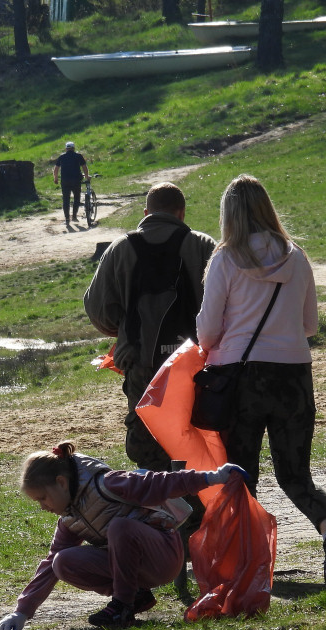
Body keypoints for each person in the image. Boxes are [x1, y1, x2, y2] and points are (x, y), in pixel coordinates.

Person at [195, 174, 326, 584]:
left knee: (241, 471)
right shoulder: (296, 256)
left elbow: (208, 331)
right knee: (295, 472)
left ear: (228, 214)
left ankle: (245, 557)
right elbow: (309, 325)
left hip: (242, 378)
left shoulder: (225, 259)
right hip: (294, 374)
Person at [0, 441, 244, 630]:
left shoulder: (108, 484)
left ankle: (121, 608)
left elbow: (161, 482)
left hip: (164, 557)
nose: (42, 507)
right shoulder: (68, 519)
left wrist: (212, 477)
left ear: (61, 482)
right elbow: (49, 566)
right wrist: (21, 612)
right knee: (61, 561)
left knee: (120, 527)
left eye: (42, 498)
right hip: (133, 568)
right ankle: (135, 597)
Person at [84, 182, 218, 471]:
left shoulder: (120, 249)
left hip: (141, 362)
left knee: (148, 440)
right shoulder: (203, 245)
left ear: (146, 212)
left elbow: (97, 310)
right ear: (181, 213)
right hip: (195, 364)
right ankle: (195, 508)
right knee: (194, 435)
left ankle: (158, 508)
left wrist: (122, 333)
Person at [53, 141, 89, 225]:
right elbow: (84, 167)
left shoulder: (62, 157)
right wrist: (87, 177)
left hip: (65, 181)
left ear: (66, 149)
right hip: (76, 180)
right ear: (73, 148)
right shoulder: (78, 156)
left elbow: (56, 169)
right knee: (76, 198)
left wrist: (55, 178)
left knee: (66, 200)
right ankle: (74, 216)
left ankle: (67, 219)